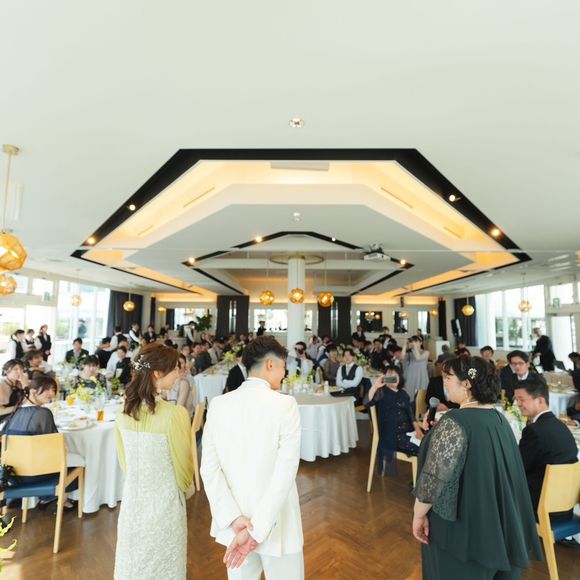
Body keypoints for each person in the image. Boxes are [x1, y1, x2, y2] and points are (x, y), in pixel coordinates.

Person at [413, 356, 542, 578]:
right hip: (496, 522)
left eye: (448, 377)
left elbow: (434, 478)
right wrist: (437, 433)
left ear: (466, 384)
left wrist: (418, 515)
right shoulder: (500, 419)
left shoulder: (454, 421)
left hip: (463, 528)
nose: (444, 382)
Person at [201, 335, 304, 579]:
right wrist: (256, 530)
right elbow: (285, 471)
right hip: (278, 524)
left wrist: (234, 519)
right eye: (283, 367)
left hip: (235, 528)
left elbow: (209, 469)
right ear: (270, 364)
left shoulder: (218, 404)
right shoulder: (285, 405)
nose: (284, 374)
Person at [115, 343, 194, 580]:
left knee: (132, 566)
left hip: (132, 505)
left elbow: (125, 463)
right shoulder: (175, 414)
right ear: (158, 373)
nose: (179, 373)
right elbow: (184, 469)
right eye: (175, 368)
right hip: (165, 506)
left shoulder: (123, 411)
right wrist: (185, 490)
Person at [513, 376, 578, 519]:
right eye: (516, 399)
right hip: (565, 507)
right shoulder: (561, 426)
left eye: (521, 399)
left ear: (540, 400)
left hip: (540, 508)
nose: (518, 404)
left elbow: (517, 469)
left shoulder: (534, 431)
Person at [365, 365, 423, 474]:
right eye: (390, 376)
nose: (393, 378)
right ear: (385, 379)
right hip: (392, 436)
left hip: (408, 432)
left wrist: (418, 430)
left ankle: (423, 477)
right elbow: (367, 402)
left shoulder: (403, 394)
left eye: (395, 375)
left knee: (429, 441)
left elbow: (411, 415)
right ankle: (421, 480)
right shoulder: (382, 392)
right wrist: (376, 386)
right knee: (422, 448)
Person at [0, 359, 27, 425]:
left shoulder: (21, 383)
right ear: (6, 371)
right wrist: (18, 408)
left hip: (16, 416)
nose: (19, 372)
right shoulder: (1, 385)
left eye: (21, 369)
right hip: (3, 420)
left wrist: (25, 385)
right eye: (15, 369)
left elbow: (28, 400)